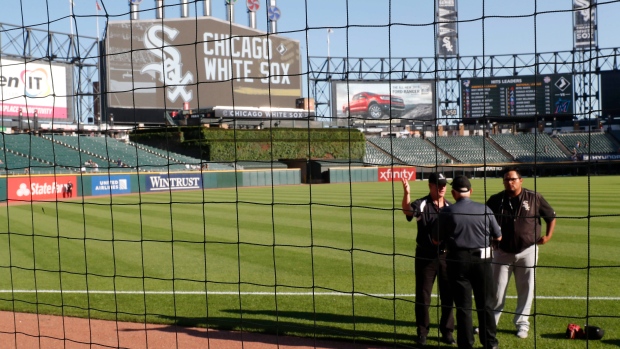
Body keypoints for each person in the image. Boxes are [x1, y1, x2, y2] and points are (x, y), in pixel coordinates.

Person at [486, 167, 556, 339]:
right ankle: (489, 324)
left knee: (526, 289)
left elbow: (551, 216)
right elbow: (484, 219)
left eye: (512, 179)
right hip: (501, 251)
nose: (509, 182)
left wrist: (548, 236)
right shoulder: (496, 200)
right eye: (506, 180)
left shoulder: (534, 197)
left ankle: (522, 324)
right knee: (496, 290)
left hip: (528, 250)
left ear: (520, 180)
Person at [437, 175, 502, 349]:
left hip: (457, 261)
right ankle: (490, 343)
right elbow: (499, 236)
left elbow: (436, 239)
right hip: (483, 260)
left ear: (453, 193)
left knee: (463, 307)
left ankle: (466, 345)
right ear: (471, 191)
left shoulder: (447, 211)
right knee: (486, 305)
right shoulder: (485, 209)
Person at [401, 172, 455, 345]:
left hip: (446, 256)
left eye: (444, 184)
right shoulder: (422, 204)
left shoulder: (450, 206)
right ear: (430, 186)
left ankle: (447, 332)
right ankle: (422, 332)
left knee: (448, 295)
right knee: (423, 296)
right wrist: (407, 193)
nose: (442, 187)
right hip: (425, 256)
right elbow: (408, 212)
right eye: (438, 184)